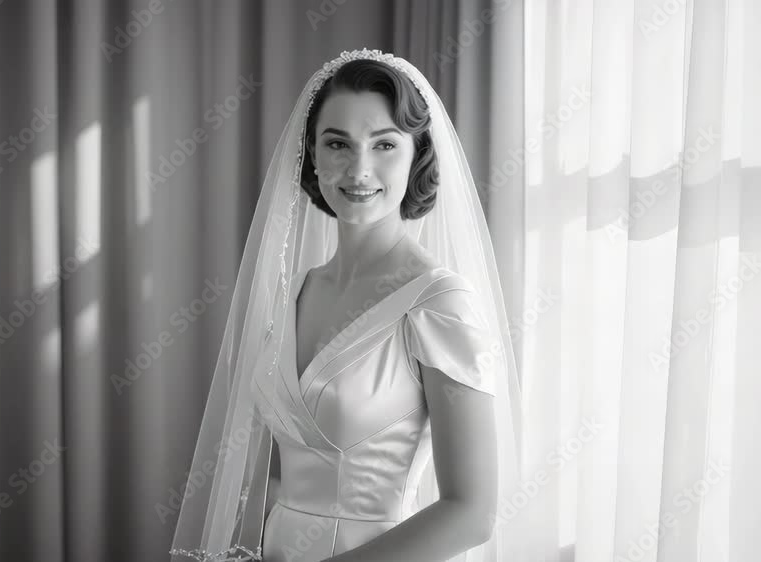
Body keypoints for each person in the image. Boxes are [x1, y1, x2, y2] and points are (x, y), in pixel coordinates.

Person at [170, 49, 528, 562]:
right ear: (312, 155)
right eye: (338, 144)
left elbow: (471, 514)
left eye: (385, 144)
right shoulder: (293, 292)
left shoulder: (438, 306)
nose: (359, 169)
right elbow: (280, 473)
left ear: (417, 156)